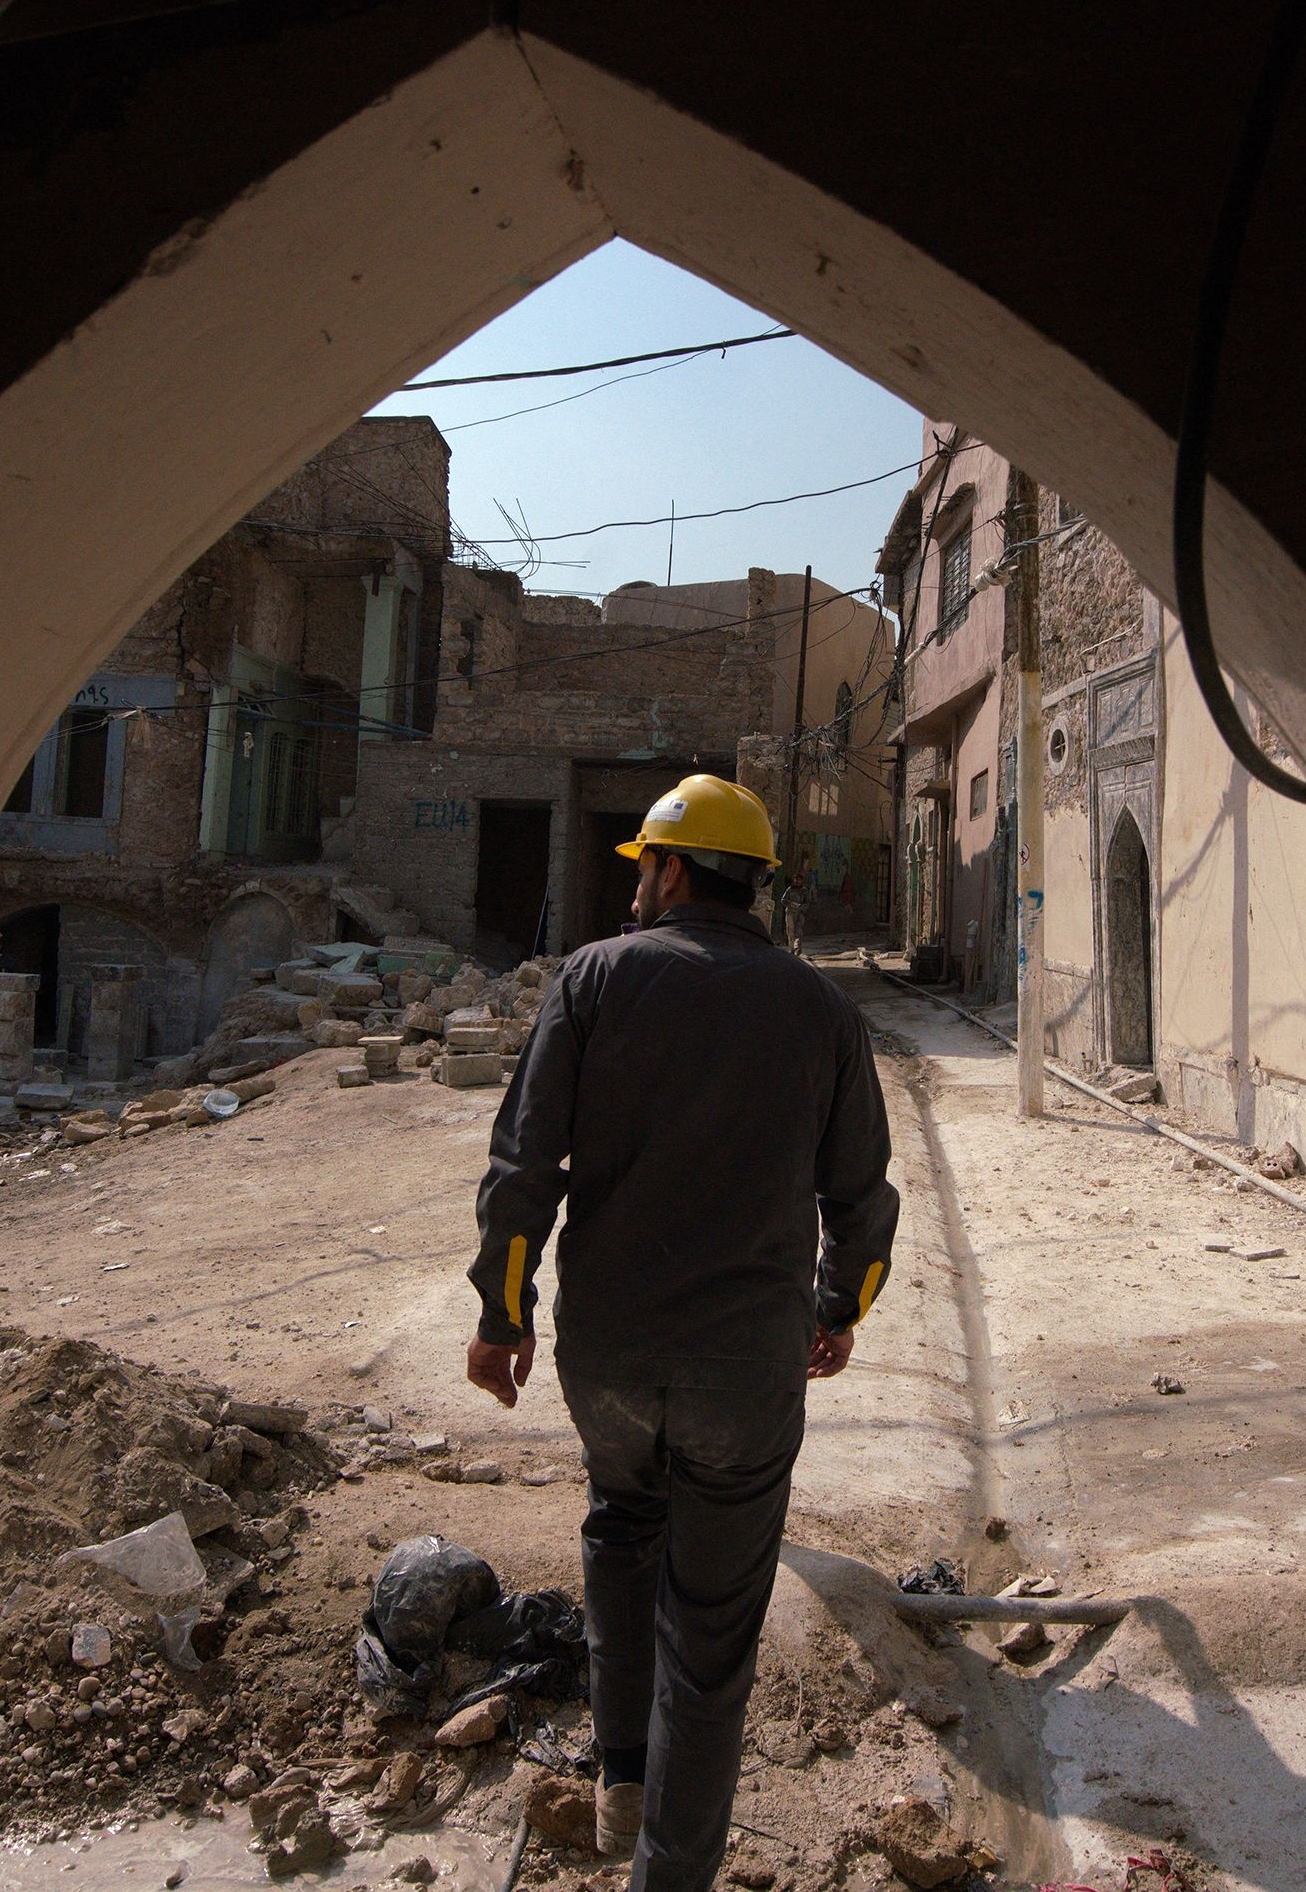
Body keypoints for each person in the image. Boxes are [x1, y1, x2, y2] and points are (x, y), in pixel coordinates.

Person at [463, 773, 899, 1886]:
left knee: (622, 1520)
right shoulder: (823, 1011)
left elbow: (525, 1167)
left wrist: (501, 1313)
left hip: (607, 1358)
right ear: (749, 884)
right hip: (747, 1373)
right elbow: (864, 1202)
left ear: (667, 870)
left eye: (641, 869)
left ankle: (620, 1770)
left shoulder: (596, 980)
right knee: (711, 1640)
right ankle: (671, 1868)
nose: (636, 889)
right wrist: (840, 1308)